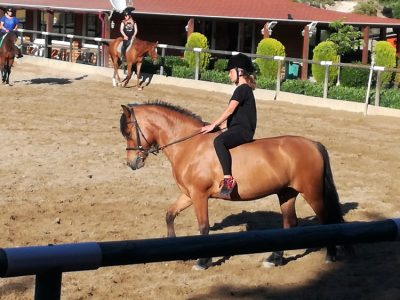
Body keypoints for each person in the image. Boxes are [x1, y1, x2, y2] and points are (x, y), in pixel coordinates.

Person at [201, 53, 257, 199]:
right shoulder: (245, 89)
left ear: (240, 72)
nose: (228, 75)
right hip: (238, 128)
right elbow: (237, 116)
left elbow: (230, 110)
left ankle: (228, 179)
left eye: (230, 71)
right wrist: (220, 126)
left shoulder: (242, 89)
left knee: (219, 141)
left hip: (243, 131)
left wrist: (213, 124)